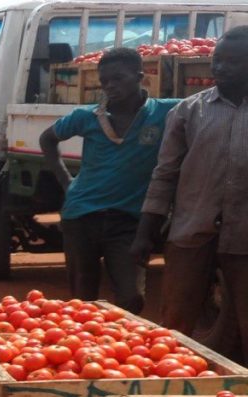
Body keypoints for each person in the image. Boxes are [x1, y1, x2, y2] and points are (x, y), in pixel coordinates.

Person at [133, 26, 248, 360]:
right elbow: (165, 174)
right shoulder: (188, 111)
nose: (221, 69)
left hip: (245, 237)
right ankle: (173, 391)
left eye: (233, 62)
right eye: (218, 60)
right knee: (176, 324)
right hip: (191, 232)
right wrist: (145, 233)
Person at [40, 47, 179, 314]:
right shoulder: (87, 117)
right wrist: (67, 182)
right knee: (83, 301)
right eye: (104, 81)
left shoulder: (166, 112)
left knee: (131, 297)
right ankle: (85, 351)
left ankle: (119, 348)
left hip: (128, 221)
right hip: (81, 217)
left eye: (118, 79)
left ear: (141, 77)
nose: (109, 86)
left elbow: (207, 104)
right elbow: (48, 139)